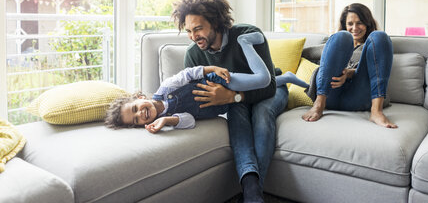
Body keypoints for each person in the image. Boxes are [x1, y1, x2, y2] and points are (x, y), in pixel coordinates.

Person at [172, 0, 290, 203]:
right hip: (235, 100)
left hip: (273, 89)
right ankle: (252, 193)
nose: (193, 36)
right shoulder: (193, 54)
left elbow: (270, 85)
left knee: (262, 115)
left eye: (198, 28)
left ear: (215, 23)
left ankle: (252, 193)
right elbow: (202, 95)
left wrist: (233, 97)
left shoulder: (248, 34)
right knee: (236, 116)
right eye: (188, 30)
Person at [105, 32, 307, 133]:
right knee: (261, 83)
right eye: (136, 120)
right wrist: (167, 121)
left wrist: (212, 69)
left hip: (218, 80)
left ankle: (245, 42)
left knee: (263, 79)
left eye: (135, 109)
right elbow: (190, 121)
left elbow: (189, 73)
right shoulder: (169, 116)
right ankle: (286, 77)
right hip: (225, 101)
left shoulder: (165, 88)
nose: (140, 114)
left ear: (140, 98)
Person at [302, 3, 397, 128]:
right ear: (345, 25)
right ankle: (318, 105)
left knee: (380, 36)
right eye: (350, 24)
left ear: (367, 23)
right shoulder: (337, 43)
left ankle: (376, 112)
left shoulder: (373, 46)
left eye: (359, 23)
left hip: (359, 96)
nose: (355, 28)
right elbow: (304, 53)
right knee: (342, 36)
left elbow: (378, 66)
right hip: (330, 94)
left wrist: (349, 73)